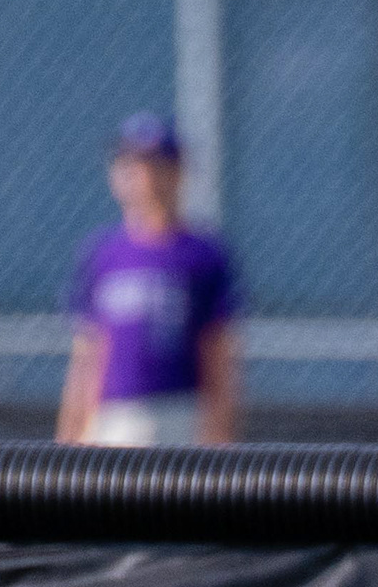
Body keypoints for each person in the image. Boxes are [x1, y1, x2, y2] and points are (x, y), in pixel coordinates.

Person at [57, 113, 241, 448]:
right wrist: (72, 430)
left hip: (179, 412)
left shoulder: (201, 254)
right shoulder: (103, 253)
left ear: (176, 172)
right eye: (126, 163)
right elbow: (89, 351)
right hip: (112, 416)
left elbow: (217, 351)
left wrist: (219, 433)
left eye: (150, 164)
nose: (137, 175)